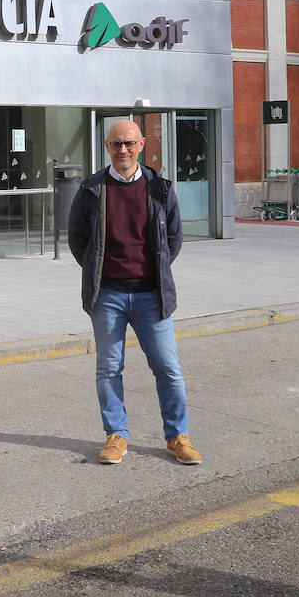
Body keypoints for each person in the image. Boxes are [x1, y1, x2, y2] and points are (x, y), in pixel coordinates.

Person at [66, 119, 201, 467]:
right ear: (107, 148)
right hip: (107, 296)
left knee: (168, 368)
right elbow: (78, 239)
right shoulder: (92, 189)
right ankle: (116, 435)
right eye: (115, 144)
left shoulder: (160, 188)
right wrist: (100, 270)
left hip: (151, 296)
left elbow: (173, 238)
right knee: (109, 369)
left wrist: (153, 271)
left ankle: (177, 436)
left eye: (129, 143)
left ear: (142, 145)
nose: (122, 150)